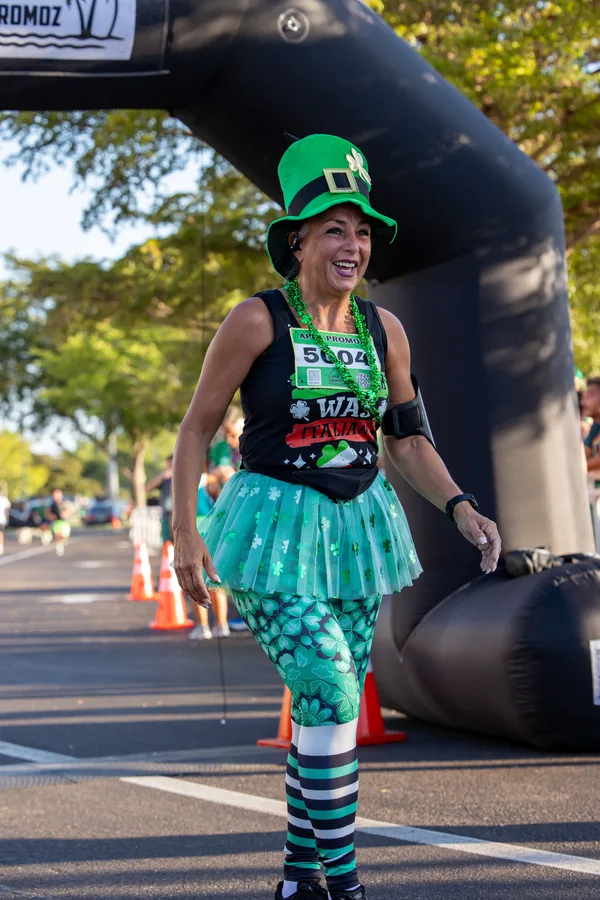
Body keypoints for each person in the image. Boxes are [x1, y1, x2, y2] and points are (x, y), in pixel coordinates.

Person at [172, 134, 501, 900]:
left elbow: (407, 437)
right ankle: (345, 886)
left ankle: (298, 877)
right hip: (271, 530)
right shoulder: (255, 321)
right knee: (329, 685)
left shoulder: (385, 331)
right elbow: (196, 426)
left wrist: (459, 507)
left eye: (361, 230)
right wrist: (187, 533)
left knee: (330, 709)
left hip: (356, 531)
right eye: (333, 228)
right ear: (298, 240)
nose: (352, 244)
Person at [189, 465, 231, 640]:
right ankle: (221, 625)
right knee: (214, 582)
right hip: (212, 533)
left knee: (196, 582)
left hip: (197, 533)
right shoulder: (209, 482)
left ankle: (203, 627)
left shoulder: (193, 482)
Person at [146, 454, 174, 543]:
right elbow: (147, 488)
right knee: (167, 542)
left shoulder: (183, 476)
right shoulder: (164, 478)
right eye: (169, 464)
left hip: (179, 514)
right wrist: (162, 476)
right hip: (166, 514)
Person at [581, 377, 600, 476]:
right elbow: (585, 452)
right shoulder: (596, 425)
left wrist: (577, 469)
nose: (583, 402)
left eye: (589, 396)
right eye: (583, 397)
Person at [48, 488, 71, 556]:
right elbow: (48, 513)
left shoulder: (64, 503)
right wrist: (51, 516)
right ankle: (59, 547)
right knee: (57, 535)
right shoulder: (52, 505)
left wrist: (66, 513)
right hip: (56, 522)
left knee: (64, 536)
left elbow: (70, 510)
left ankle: (61, 542)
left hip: (64, 522)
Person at [0, 482, 10, 556]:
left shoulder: (3, 499)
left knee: (0, 533)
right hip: (2, 519)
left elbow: (7, 509)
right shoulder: (4, 499)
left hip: (1, 519)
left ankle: (1, 547)